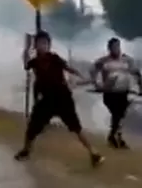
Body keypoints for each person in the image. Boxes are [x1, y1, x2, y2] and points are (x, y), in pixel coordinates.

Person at [14, 31, 103, 166]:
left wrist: (81, 77)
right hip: (46, 100)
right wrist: (26, 48)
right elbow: (26, 64)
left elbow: (68, 68)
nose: (42, 46)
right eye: (39, 43)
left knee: (76, 128)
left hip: (62, 98)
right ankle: (26, 150)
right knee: (32, 127)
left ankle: (93, 153)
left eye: (45, 43)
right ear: (35, 46)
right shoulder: (35, 61)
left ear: (49, 45)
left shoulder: (55, 58)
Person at [92, 37, 142, 149]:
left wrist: (141, 88)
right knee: (117, 114)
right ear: (109, 49)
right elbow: (93, 71)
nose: (116, 49)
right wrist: (97, 85)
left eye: (117, 47)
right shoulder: (103, 61)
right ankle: (116, 137)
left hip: (123, 92)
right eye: (113, 47)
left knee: (119, 115)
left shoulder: (127, 60)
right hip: (109, 93)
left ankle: (115, 137)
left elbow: (137, 74)